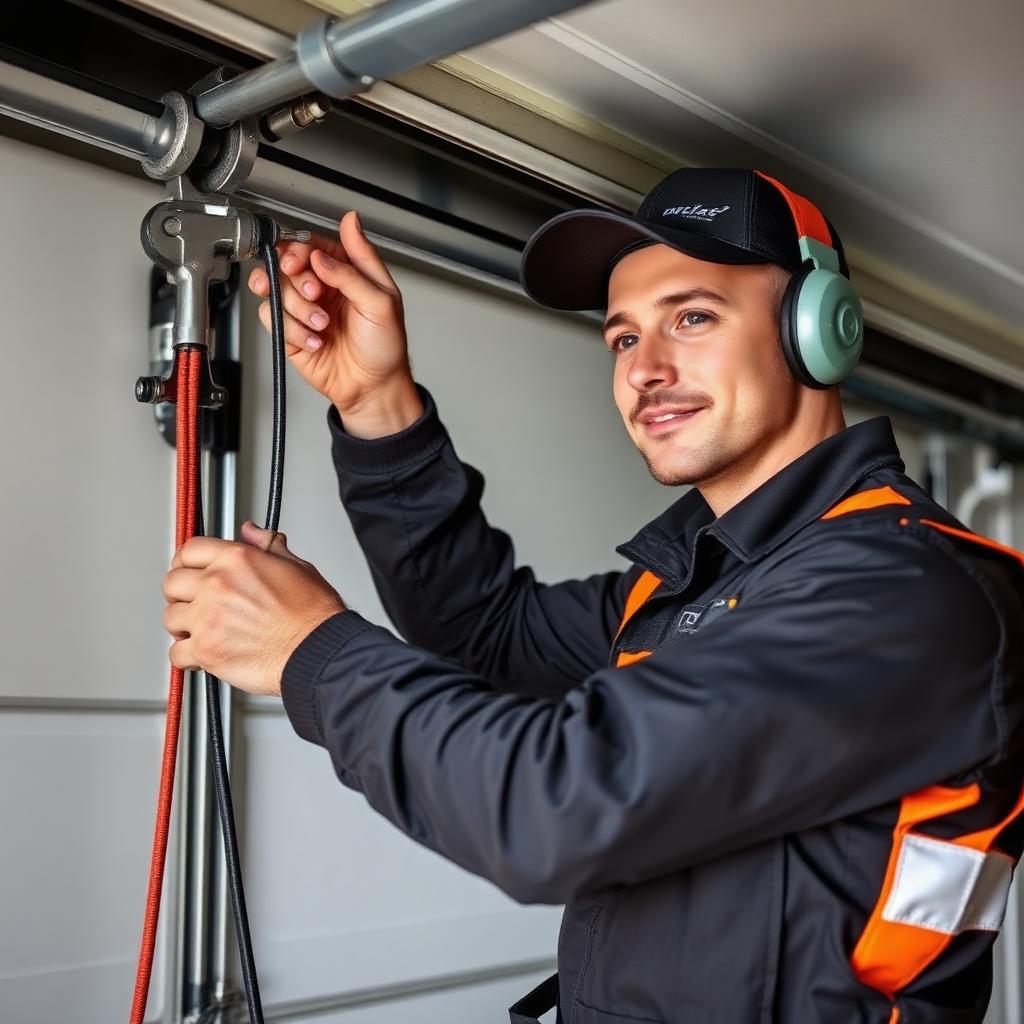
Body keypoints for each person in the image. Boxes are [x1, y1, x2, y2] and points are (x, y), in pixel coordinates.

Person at [162, 167, 1024, 1023]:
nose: (644, 369)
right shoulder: (697, 583)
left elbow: (559, 807)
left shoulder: (907, 591)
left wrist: (312, 652)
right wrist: (378, 404)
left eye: (691, 317)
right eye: (621, 338)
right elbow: (485, 631)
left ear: (816, 329)